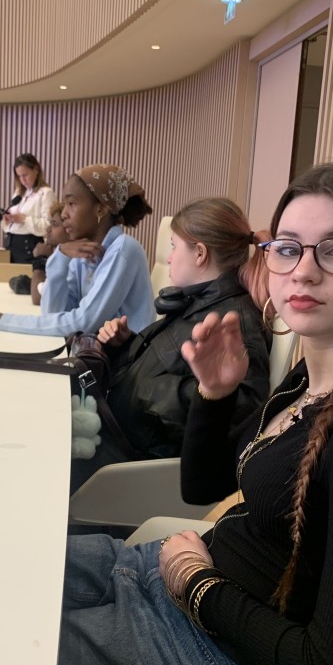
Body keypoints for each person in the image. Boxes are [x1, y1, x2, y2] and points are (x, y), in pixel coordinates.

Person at [53, 162, 333, 665]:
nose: (304, 271)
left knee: (2, 640)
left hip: (213, 652)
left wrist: (199, 586)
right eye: (288, 248)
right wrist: (216, 394)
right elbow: (203, 489)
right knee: (6, 566)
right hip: (173, 578)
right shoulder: (309, 382)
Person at [69, 197, 271, 491]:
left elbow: (239, 413)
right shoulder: (196, 303)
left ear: (200, 253)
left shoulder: (232, 323)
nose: (170, 257)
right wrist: (125, 345)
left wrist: (146, 389)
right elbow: (173, 364)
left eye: (175, 246)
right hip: (115, 436)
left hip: (134, 468)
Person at [0, 163, 156, 337]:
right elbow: (52, 313)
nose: (64, 213)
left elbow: (83, 322)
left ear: (100, 209)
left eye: (71, 204)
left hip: (127, 359)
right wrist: (60, 256)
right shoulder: (82, 252)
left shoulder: (123, 250)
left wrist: (3, 320)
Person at [2, 153, 57, 264]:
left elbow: (49, 226)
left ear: (36, 170)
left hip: (29, 248)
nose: (23, 180)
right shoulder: (18, 193)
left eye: (25, 175)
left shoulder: (46, 193)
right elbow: (11, 224)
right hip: (11, 246)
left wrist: (24, 219)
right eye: (19, 176)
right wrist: (8, 220)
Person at [30, 202, 66, 305]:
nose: (48, 229)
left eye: (54, 224)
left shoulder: (71, 259)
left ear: (69, 228)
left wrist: (40, 260)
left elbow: (38, 298)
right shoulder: (58, 255)